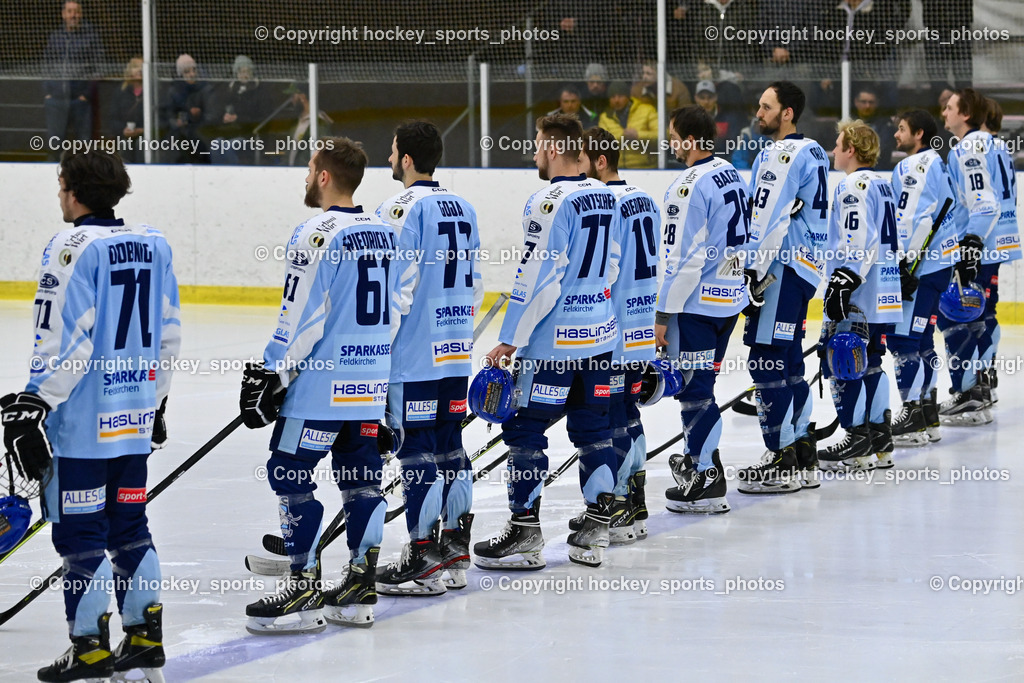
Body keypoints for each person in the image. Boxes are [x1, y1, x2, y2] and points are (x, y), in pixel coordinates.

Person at [2, 149, 179, 681]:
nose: (59, 195)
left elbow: (65, 340)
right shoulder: (154, 244)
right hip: (134, 418)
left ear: (74, 191)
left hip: (83, 426)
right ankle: (144, 639)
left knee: (80, 536)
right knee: (130, 528)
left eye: (61, 186)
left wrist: (35, 402)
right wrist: (156, 402)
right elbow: (169, 332)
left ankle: (90, 649)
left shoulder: (70, 248)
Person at [240, 138, 396, 633]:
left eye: (310, 169)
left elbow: (302, 316)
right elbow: (398, 309)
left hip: (320, 387)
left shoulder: (315, 233)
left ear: (324, 176)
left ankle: (303, 590)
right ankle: (359, 588)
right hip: (368, 384)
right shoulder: (386, 233)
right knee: (362, 480)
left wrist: (271, 371)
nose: (306, 177)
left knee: (288, 472)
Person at [475, 114, 619, 569]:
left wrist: (510, 339)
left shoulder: (547, 202)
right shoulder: (605, 195)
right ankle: (596, 529)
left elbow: (538, 278)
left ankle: (524, 532)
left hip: (553, 345)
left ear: (554, 149)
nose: (535, 153)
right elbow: (613, 265)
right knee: (594, 429)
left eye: (537, 144)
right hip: (599, 336)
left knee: (524, 429)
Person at [373, 121, 483, 595]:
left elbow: (397, 288)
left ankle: (422, 558)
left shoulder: (399, 208)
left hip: (413, 355)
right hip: (455, 349)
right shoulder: (464, 206)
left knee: (415, 450)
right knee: (450, 446)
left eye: (392, 150)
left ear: (407, 159)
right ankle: (454, 550)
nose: (389, 158)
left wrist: (377, 349)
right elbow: (475, 283)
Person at [735, 81, 830, 494]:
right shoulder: (815, 151)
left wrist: (751, 271)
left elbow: (768, 217)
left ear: (787, 113)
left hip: (780, 267)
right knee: (789, 360)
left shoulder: (781, 153)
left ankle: (780, 459)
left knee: (766, 359)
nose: (759, 113)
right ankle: (801, 451)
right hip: (804, 268)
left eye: (766, 107)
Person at [655, 105, 751, 513]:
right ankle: (701, 466)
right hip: (727, 301)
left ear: (690, 140)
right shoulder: (730, 172)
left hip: (696, 307)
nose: (671, 144)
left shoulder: (687, 186)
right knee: (702, 387)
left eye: (674, 137)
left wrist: (662, 314)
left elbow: (684, 259)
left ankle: (706, 477)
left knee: (694, 392)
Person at [576, 126, 659, 540]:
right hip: (642, 321)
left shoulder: (604, 202)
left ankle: (620, 504)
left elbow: (604, 272)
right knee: (628, 411)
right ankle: (635, 504)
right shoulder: (645, 198)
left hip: (615, 326)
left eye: (582, 160)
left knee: (609, 417)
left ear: (600, 161)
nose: (578, 168)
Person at [817, 120, 902, 470]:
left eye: (838, 145)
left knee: (844, 359)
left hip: (860, 294)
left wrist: (844, 280)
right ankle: (879, 439)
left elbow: (859, 238)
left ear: (851, 150)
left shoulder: (852, 185)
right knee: (873, 361)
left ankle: (856, 441)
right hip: (884, 290)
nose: (833, 151)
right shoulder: (882, 183)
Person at [936, 89, 1020, 424]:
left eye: (950, 107)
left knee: (957, 316)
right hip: (997, 240)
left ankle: (969, 392)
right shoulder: (995, 144)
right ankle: (983, 386)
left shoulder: (968, 147)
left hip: (979, 243)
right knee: (983, 313)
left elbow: (983, 201)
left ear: (966, 114)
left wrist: (970, 243)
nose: (944, 112)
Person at [887, 109, 959, 446]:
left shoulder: (915, 165)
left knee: (903, 341)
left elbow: (914, 219)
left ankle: (912, 415)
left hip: (921, 267)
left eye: (902, 129)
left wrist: (905, 265)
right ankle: (928, 414)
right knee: (923, 339)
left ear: (918, 134)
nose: (896, 135)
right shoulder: (937, 163)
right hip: (938, 265)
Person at [975, 97, 1019, 412]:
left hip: (985, 240)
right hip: (1000, 238)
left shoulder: (979, 148)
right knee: (987, 307)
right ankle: (987, 371)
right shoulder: (1002, 148)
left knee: (975, 309)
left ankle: (980, 375)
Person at [42, 1, 105, 159]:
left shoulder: (91, 37)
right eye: (70, 11)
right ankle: (53, 170)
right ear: (63, 14)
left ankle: (84, 172)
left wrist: (86, 95)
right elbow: (45, 66)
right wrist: (48, 92)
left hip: (80, 100)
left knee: (84, 144)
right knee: (55, 144)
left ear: (81, 14)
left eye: (76, 11)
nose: (73, 15)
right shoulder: (55, 37)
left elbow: (100, 68)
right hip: (56, 100)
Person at [211, 56, 269, 165]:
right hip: (229, 132)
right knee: (216, 144)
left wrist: (238, 118)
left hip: (249, 135)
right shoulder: (230, 89)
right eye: (241, 72)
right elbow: (219, 110)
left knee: (230, 146)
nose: (244, 75)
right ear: (236, 73)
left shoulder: (259, 90)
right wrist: (224, 117)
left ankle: (233, 172)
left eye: (247, 71)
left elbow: (261, 118)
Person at [162, 54, 213, 163]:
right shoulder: (174, 91)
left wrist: (198, 115)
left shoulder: (205, 89)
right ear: (180, 74)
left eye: (194, 70)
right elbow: (168, 113)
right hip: (179, 132)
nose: (192, 74)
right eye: (187, 71)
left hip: (200, 130)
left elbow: (212, 114)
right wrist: (176, 122)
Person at [598, 81, 658, 169]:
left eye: (620, 96)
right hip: (616, 169)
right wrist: (623, 136)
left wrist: (638, 135)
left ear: (628, 97)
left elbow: (663, 136)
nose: (616, 100)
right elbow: (600, 143)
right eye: (613, 97)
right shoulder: (605, 117)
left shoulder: (647, 111)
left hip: (646, 169)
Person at [694, 80, 746, 157]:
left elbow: (734, 145)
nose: (706, 101)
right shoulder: (689, 120)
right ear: (696, 98)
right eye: (702, 98)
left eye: (710, 97)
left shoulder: (729, 118)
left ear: (716, 97)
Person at [107, 57, 145, 164]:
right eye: (136, 67)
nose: (140, 70)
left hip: (146, 137)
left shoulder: (153, 90)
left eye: (142, 67)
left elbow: (160, 117)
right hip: (125, 136)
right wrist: (123, 130)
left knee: (142, 145)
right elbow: (113, 118)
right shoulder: (121, 91)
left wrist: (143, 130)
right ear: (129, 71)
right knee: (125, 146)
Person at [854, 87, 896, 170]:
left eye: (871, 102)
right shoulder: (849, 120)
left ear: (877, 103)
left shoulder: (885, 123)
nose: (867, 106)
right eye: (864, 102)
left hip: (880, 169)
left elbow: (883, 149)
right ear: (856, 102)